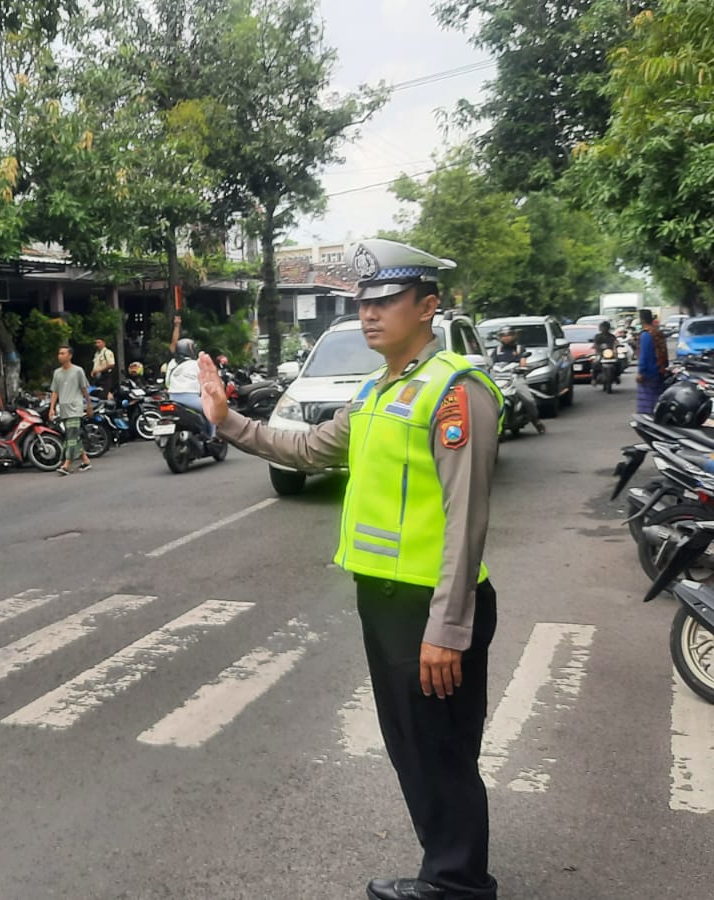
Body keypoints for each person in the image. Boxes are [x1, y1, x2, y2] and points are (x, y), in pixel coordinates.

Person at [198, 239, 503, 900]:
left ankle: (457, 885)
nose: (370, 315)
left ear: (428, 307)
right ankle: (451, 872)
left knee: (440, 751)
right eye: (363, 304)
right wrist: (229, 422)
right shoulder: (379, 389)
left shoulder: (455, 391)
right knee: (415, 749)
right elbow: (308, 448)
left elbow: (465, 516)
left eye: (386, 302)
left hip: (429, 604)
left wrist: (448, 627)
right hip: (385, 603)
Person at [489, 328, 545, 435]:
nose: (506, 337)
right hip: (499, 379)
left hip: (515, 378)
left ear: (514, 336)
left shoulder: (519, 349)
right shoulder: (496, 351)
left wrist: (522, 368)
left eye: (509, 335)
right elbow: (490, 364)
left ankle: (536, 421)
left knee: (528, 399)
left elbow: (523, 361)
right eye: (503, 335)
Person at [48, 345, 93, 476]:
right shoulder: (57, 373)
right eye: (59, 353)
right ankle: (85, 460)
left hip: (75, 407)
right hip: (63, 408)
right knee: (73, 435)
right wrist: (51, 408)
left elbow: (84, 388)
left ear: (70, 356)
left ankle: (67, 464)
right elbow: (55, 391)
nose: (59, 356)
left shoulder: (78, 371)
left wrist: (88, 404)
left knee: (71, 436)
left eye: (62, 353)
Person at [166, 316, 208, 434]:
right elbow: (204, 383)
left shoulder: (172, 364)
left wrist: (177, 326)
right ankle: (212, 436)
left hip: (172, 398)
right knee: (210, 411)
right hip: (190, 399)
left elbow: (167, 382)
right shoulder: (196, 364)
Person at [636, 309, 665, 415]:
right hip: (660, 370)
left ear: (641, 320)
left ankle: (648, 421)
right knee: (657, 397)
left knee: (647, 401)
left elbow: (645, 355)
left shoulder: (646, 335)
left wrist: (641, 371)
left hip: (649, 372)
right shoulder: (657, 332)